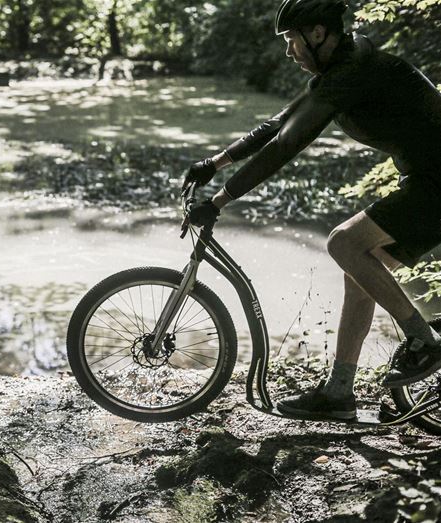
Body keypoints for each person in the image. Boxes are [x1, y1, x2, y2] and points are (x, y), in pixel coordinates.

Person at [182, 0, 441, 420]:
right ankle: (339, 394)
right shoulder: (344, 65)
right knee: (361, 271)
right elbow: (280, 124)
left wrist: (219, 202)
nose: (288, 51)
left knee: (344, 243)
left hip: (438, 183)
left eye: (291, 40)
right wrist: (214, 164)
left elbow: (287, 145)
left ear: (318, 33)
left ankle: (423, 340)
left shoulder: (353, 73)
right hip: (427, 180)